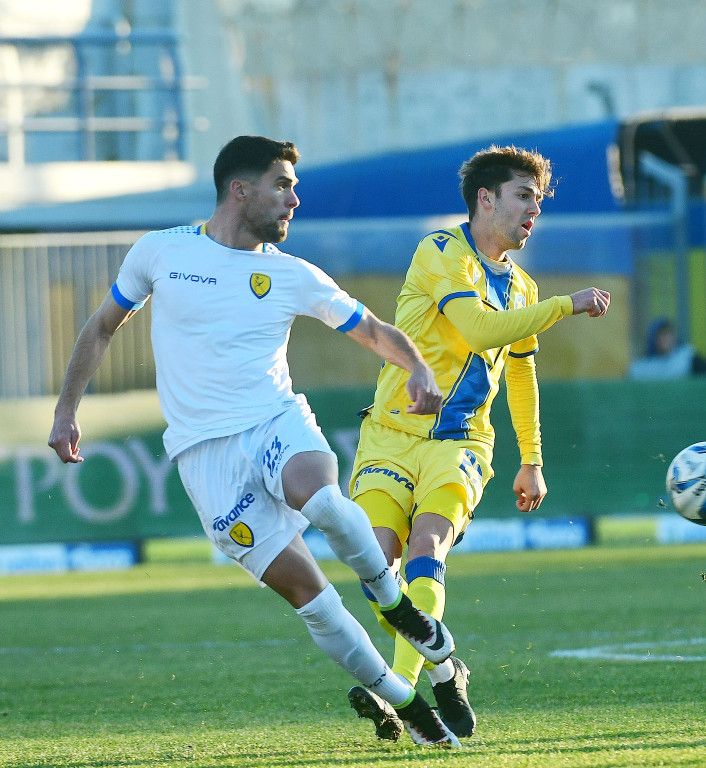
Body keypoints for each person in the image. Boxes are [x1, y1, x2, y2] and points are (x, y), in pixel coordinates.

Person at [48, 135, 463, 748]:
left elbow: (371, 328)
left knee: (320, 500)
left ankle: (396, 603)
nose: (295, 198)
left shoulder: (291, 274)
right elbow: (104, 324)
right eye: (283, 185)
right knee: (311, 600)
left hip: (274, 420)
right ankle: (406, 703)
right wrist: (66, 411)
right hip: (202, 455)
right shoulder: (160, 252)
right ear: (240, 190)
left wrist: (419, 369)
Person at [342, 145, 610, 741]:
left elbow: (520, 373)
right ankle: (444, 666)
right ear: (485, 199)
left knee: (426, 550)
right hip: (389, 434)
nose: (533, 211)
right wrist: (566, 305)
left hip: (461, 442)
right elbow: (478, 329)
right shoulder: (440, 253)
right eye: (523, 197)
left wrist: (532, 459)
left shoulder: (522, 286)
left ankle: (402, 693)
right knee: (377, 567)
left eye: (538, 202)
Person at [627, 317, 706, 381]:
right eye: (662, 336)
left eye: (669, 334)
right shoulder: (642, 367)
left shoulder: (687, 358)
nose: (666, 340)